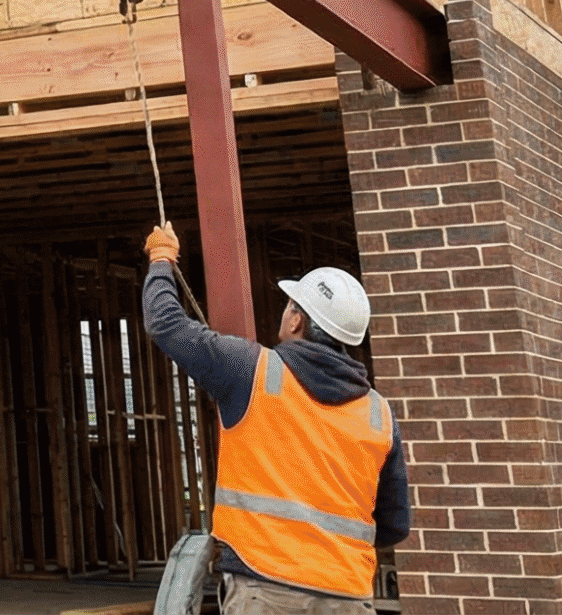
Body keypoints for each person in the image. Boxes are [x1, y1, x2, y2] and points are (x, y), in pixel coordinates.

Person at [143, 224, 411, 614]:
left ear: (297, 321)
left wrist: (161, 258)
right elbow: (393, 524)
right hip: (349, 598)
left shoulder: (252, 371)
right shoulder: (378, 415)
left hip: (264, 591)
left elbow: (167, 323)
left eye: (290, 305)